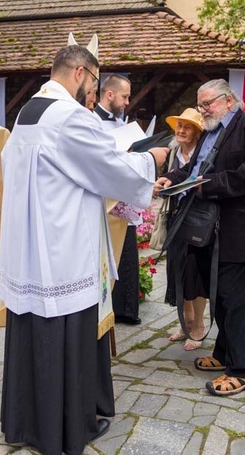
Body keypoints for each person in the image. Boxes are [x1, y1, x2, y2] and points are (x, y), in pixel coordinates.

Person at [0, 45, 168, 455]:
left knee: (32, 327)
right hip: (63, 245)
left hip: (32, 242)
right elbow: (108, 167)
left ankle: (26, 421)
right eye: (93, 83)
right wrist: (152, 162)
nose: (93, 92)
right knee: (65, 328)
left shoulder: (28, 113)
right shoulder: (69, 115)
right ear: (79, 73)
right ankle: (65, 427)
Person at [156, 79, 245, 396]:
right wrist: (171, 178)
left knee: (236, 302)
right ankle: (225, 354)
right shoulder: (209, 132)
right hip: (210, 231)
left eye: (207, 103)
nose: (202, 110)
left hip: (241, 232)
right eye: (200, 104)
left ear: (229, 101)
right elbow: (193, 170)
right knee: (220, 298)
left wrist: (208, 185)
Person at [94, 74, 142, 324]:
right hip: (106, 198)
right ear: (109, 94)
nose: (127, 102)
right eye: (124, 96)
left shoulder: (121, 122)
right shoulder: (91, 122)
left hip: (123, 193)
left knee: (127, 249)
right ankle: (109, 305)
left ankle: (126, 307)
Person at [162, 108, 207, 351]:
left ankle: (198, 326)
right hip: (176, 217)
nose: (181, 130)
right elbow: (169, 178)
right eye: (179, 125)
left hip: (197, 218)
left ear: (198, 131)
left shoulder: (203, 153)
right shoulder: (173, 152)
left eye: (187, 126)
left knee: (196, 273)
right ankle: (185, 322)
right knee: (177, 271)